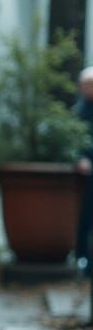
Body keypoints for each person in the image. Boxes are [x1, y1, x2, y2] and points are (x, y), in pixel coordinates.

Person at [73, 67, 93, 275]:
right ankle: (82, 258)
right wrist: (80, 158)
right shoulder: (79, 111)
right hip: (87, 174)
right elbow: (72, 141)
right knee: (85, 217)